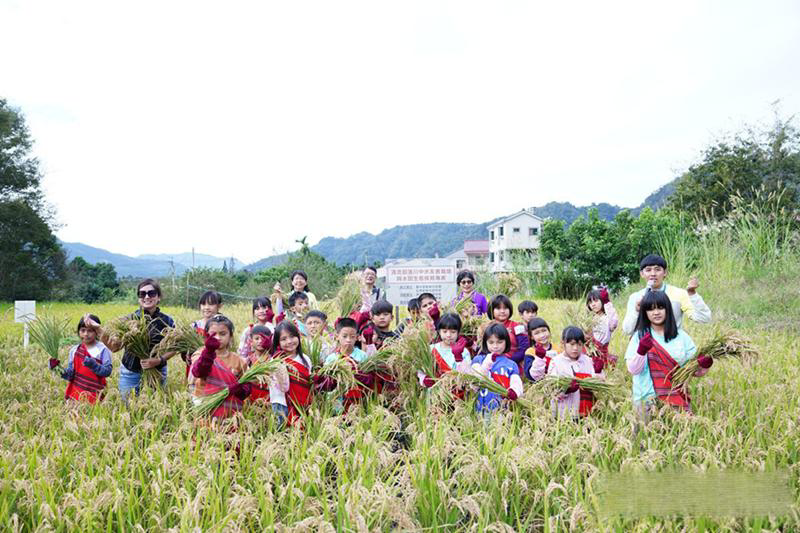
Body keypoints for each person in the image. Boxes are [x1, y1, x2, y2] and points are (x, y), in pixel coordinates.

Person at [625, 290, 713, 415]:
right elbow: (633, 370)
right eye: (651, 309)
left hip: (676, 399)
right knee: (643, 428)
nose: (656, 312)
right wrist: (641, 351)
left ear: (668, 310)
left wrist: (704, 365)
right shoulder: (639, 336)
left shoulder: (682, 337)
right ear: (645, 312)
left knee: (680, 428)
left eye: (660, 308)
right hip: (646, 400)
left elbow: (694, 371)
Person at [103, 279, 176, 399]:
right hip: (130, 373)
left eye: (151, 293)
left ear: (158, 297)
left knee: (156, 405)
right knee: (127, 407)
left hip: (157, 372)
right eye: (142, 294)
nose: (146, 297)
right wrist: (100, 331)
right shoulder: (128, 320)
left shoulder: (167, 321)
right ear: (139, 298)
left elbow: (174, 347)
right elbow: (115, 348)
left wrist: (159, 360)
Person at [622, 254, 711, 335]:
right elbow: (627, 330)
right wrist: (637, 311)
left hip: (672, 344)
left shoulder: (679, 294)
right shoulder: (635, 297)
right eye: (648, 270)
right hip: (644, 345)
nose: (653, 274)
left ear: (665, 272)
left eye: (657, 269)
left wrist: (692, 294)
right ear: (642, 274)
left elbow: (704, 318)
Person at [189, 315, 250, 421]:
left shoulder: (239, 361)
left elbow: (247, 386)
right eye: (213, 334)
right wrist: (208, 352)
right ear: (206, 336)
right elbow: (198, 372)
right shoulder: (200, 354)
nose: (217, 338)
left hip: (229, 408)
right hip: (203, 403)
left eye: (223, 334)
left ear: (230, 336)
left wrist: (239, 390)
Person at [544, 327, 605, 419]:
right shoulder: (556, 362)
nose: (575, 348)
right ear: (563, 343)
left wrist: (598, 372)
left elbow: (599, 385)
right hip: (564, 414)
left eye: (579, 344)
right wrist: (566, 389)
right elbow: (551, 389)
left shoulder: (587, 360)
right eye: (572, 344)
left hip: (586, 412)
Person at [316, 317, 373, 412]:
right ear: (337, 336)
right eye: (344, 336)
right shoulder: (332, 358)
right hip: (335, 402)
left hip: (357, 402)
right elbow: (326, 380)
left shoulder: (362, 356)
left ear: (357, 337)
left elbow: (368, 378)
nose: (348, 340)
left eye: (352, 337)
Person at [471, 323, 523, 416]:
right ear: (485, 343)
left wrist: (514, 391)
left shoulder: (511, 364)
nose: (495, 346)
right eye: (491, 342)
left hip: (501, 410)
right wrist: (488, 362)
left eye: (499, 342)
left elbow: (516, 382)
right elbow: (477, 379)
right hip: (481, 408)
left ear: (506, 342)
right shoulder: (478, 360)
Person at [58, 314, 112, 404]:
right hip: (75, 394)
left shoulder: (102, 349)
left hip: (95, 395)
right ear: (79, 331)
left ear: (97, 332)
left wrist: (94, 365)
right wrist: (57, 369)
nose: (86, 334)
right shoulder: (75, 350)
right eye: (83, 330)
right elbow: (70, 375)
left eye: (90, 331)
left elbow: (107, 371)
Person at [270, 321, 313, 427]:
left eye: (292, 336)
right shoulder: (275, 361)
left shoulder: (305, 359)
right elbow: (282, 387)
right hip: (282, 404)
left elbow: (309, 382)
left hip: (302, 403)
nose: (289, 341)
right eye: (283, 339)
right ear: (278, 342)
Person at [418, 312, 472, 388]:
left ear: (458, 332)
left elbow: (468, 376)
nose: (448, 335)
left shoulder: (464, 352)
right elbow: (420, 370)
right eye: (444, 331)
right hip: (434, 391)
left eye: (453, 332)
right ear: (439, 332)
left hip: (455, 391)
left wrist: (459, 358)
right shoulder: (431, 349)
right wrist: (423, 379)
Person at [487, 295, 529, 370]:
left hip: (513, 365)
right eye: (498, 308)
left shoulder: (518, 326)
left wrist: (509, 361)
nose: (502, 311)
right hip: (490, 364)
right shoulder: (486, 327)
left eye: (505, 308)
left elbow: (524, 347)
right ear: (491, 310)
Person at [586, 287, 618, 366]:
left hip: (601, 355)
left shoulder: (607, 319)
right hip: (589, 354)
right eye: (590, 302)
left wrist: (607, 302)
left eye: (596, 301)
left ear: (602, 301)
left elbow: (613, 323)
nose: (593, 304)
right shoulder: (589, 319)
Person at [245, 325, 273, 403]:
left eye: (263, 338)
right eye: (257, 338)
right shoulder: (248, 360)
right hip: (251, 401)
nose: (260, 341)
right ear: (251, 341)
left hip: (268, 401)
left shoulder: (272, 360)